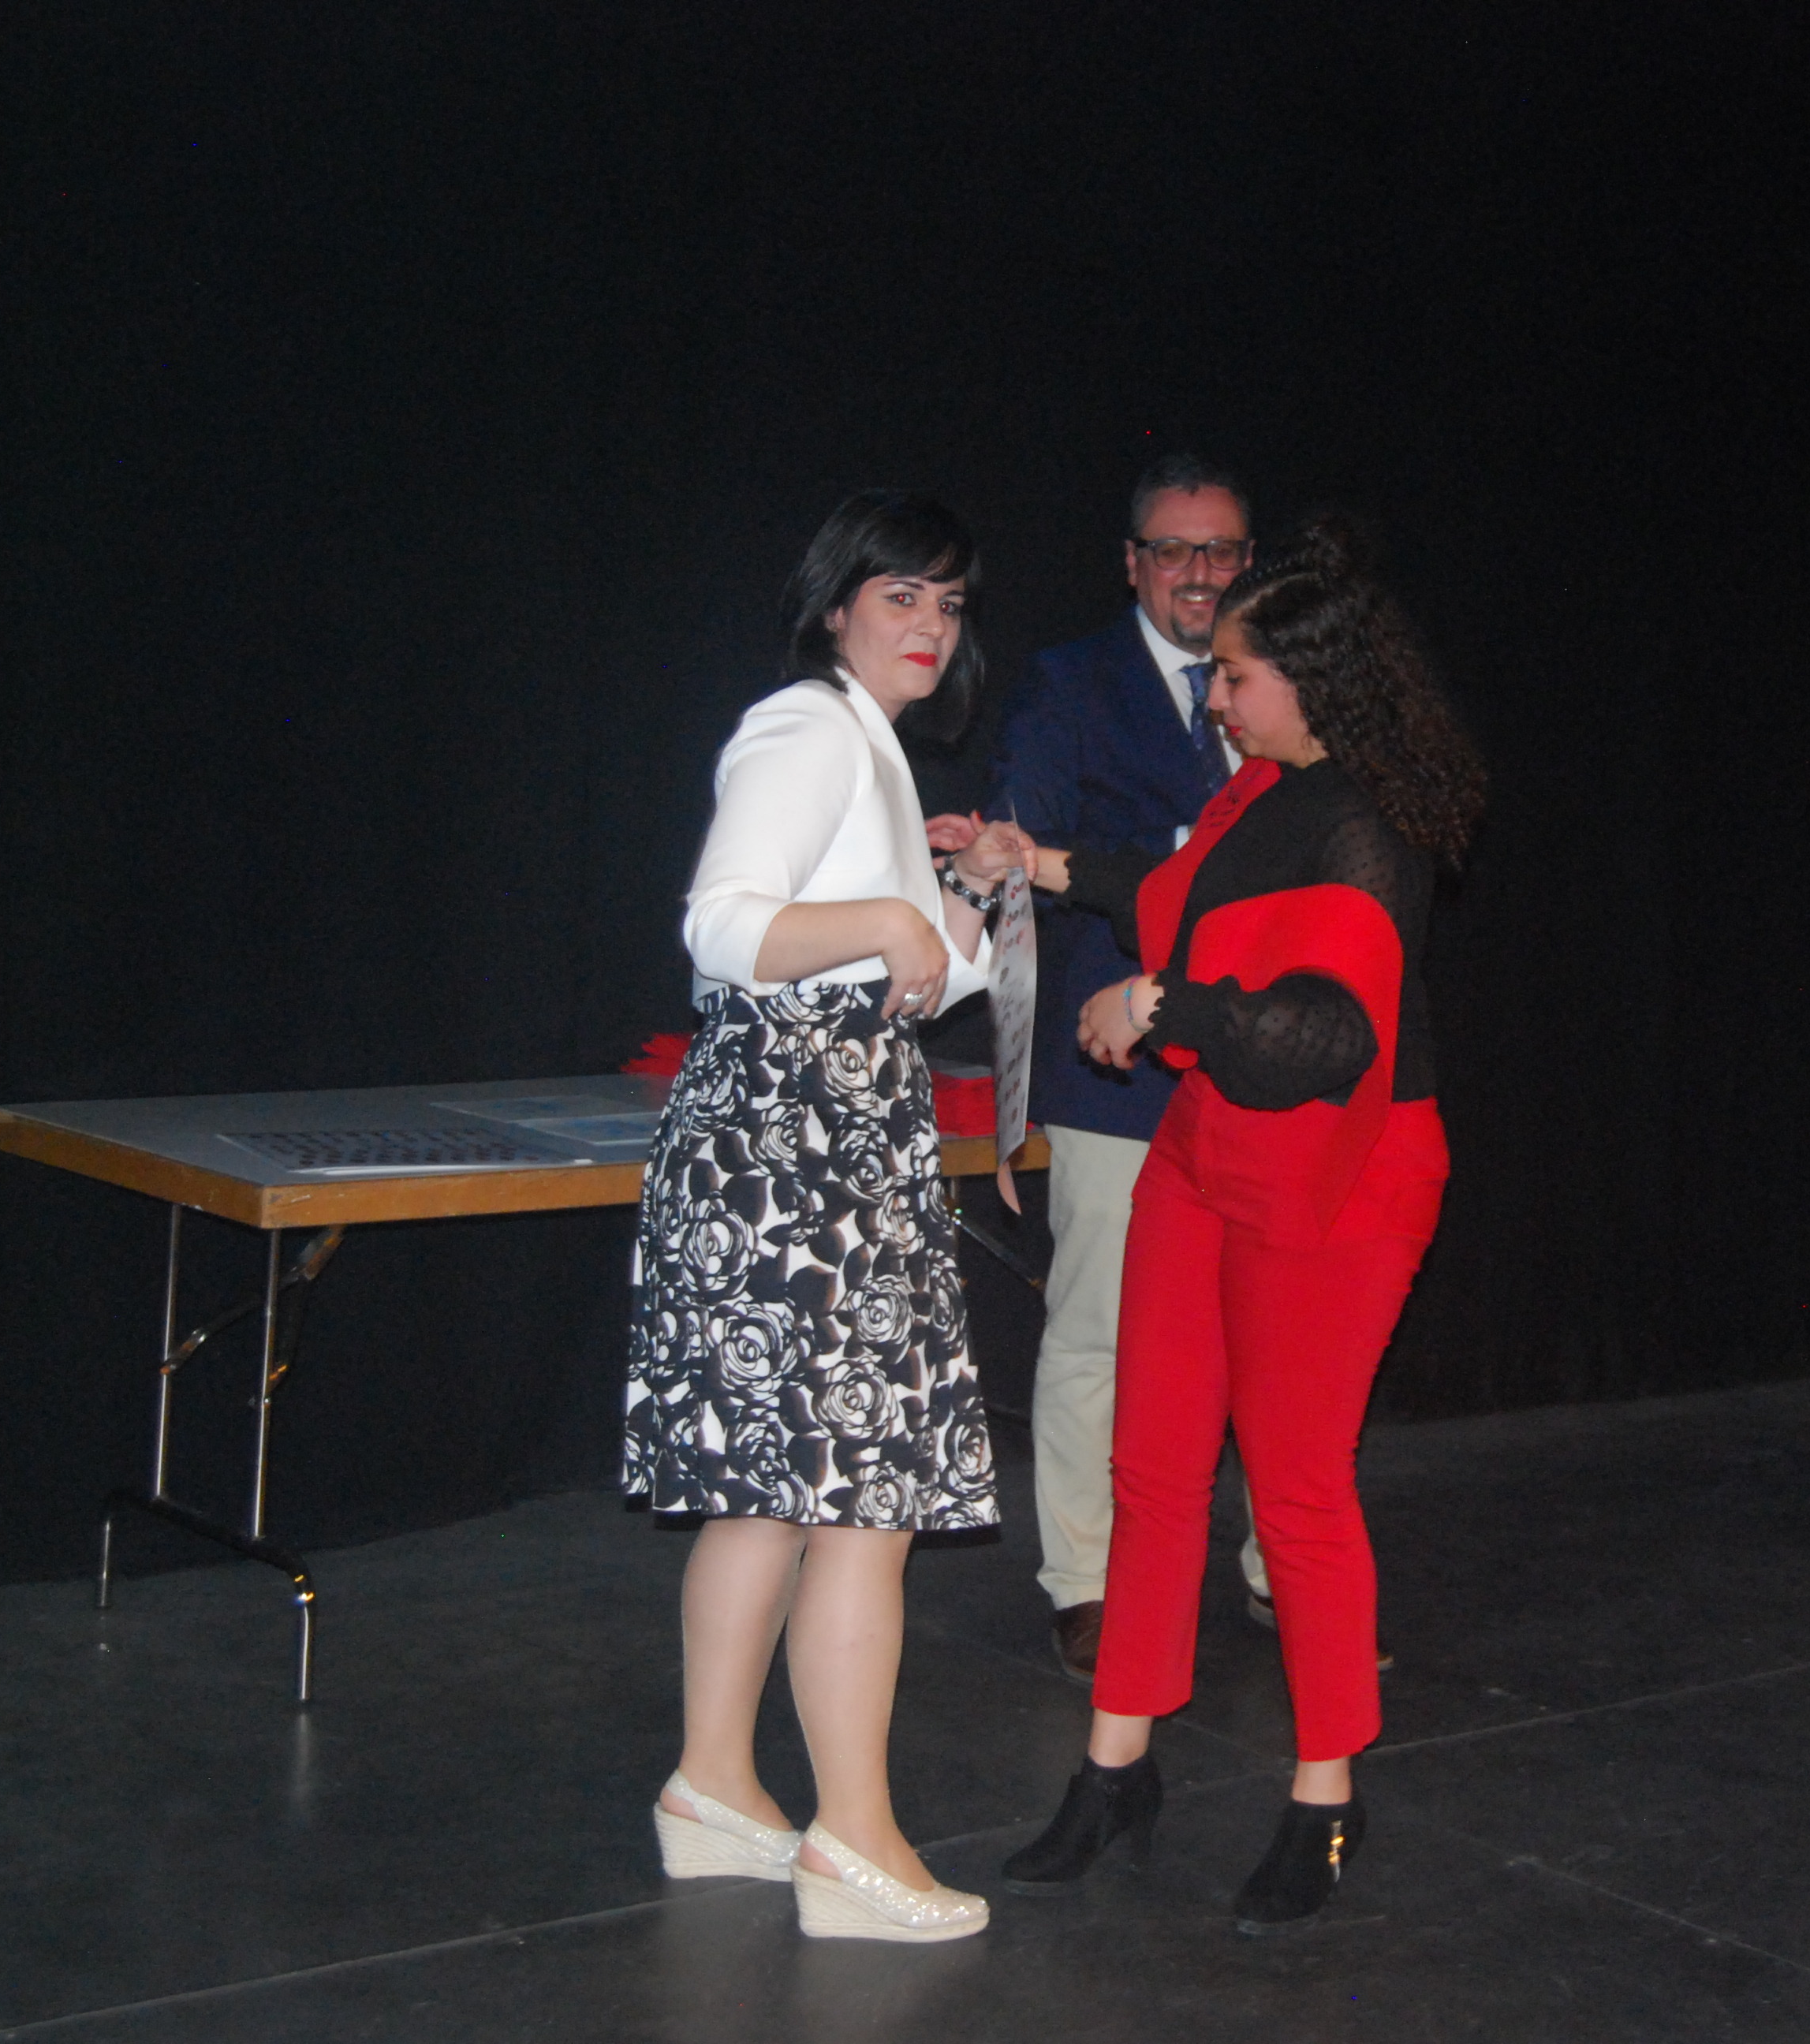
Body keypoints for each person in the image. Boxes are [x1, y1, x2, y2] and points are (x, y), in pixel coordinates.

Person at [997, 517, 1484, 1933]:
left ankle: (1325, 1791)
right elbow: (1168, 897)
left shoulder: (1365, 830)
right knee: (1151, 1465)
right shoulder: (1255, 792)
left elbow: (1322, 1040)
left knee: (1296, 1485)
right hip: (1212, 1150)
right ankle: (1115, 1765)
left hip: (1341, 1173)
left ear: (1312, 683)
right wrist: (1034, 861)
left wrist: (1163, 1006)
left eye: (1234, 676)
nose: (1213, 698)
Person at [622, 490, 1033, 1942]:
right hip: (799, 1151)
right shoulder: (807, 727)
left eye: (949, 604)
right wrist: (883, 918)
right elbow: (722, 925)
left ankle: (713, 1786)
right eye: (901, 596)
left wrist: (956, 893)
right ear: (838, 603)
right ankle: (851, 1840)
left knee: (771, 1497)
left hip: (807, 1140)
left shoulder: (862, 745)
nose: (930, 625)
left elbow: (926, 979)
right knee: (865, 1504)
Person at [990, 454, 1267, 1680]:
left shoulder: (1289, 680)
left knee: (1272, 1333)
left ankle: (1281, 1564)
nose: (1199, 573)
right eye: (1174, 550)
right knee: (1100, 1330)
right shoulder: (1069, 683)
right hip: (1119, 1069)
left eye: (1222, 550)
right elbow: (1032, 848)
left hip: (1262, 1059)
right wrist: (1198, 851)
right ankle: (1087, 1583)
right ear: (1132, 564)